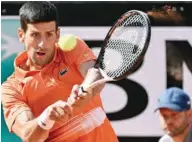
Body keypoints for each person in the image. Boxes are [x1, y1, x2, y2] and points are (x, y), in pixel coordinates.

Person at [1, 1, 118, 142]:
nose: (42, 44)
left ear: (57, 35)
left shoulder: (72, 48)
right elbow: (28, 135)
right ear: (21, 35)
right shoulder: (11, 89)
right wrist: (46, 119)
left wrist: (86, 91)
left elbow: (94, 73)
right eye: (35, 35)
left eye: (49, 34)